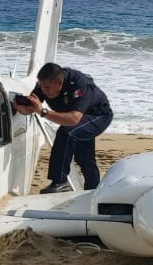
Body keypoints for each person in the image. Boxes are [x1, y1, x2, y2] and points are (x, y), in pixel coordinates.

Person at [14, 62, 113, 193]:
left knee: (67, 132)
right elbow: (32, 108)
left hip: (98, 115)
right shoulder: (44, 84)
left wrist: (43, 112)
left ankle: (60, 182)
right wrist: (21, 108)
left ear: (59, 83)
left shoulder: (78, 84)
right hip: (79, 118)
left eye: (47, 88)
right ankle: (93, 191)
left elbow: (73, 119)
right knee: (84, 157)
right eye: (42, 87)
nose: (44, 91)